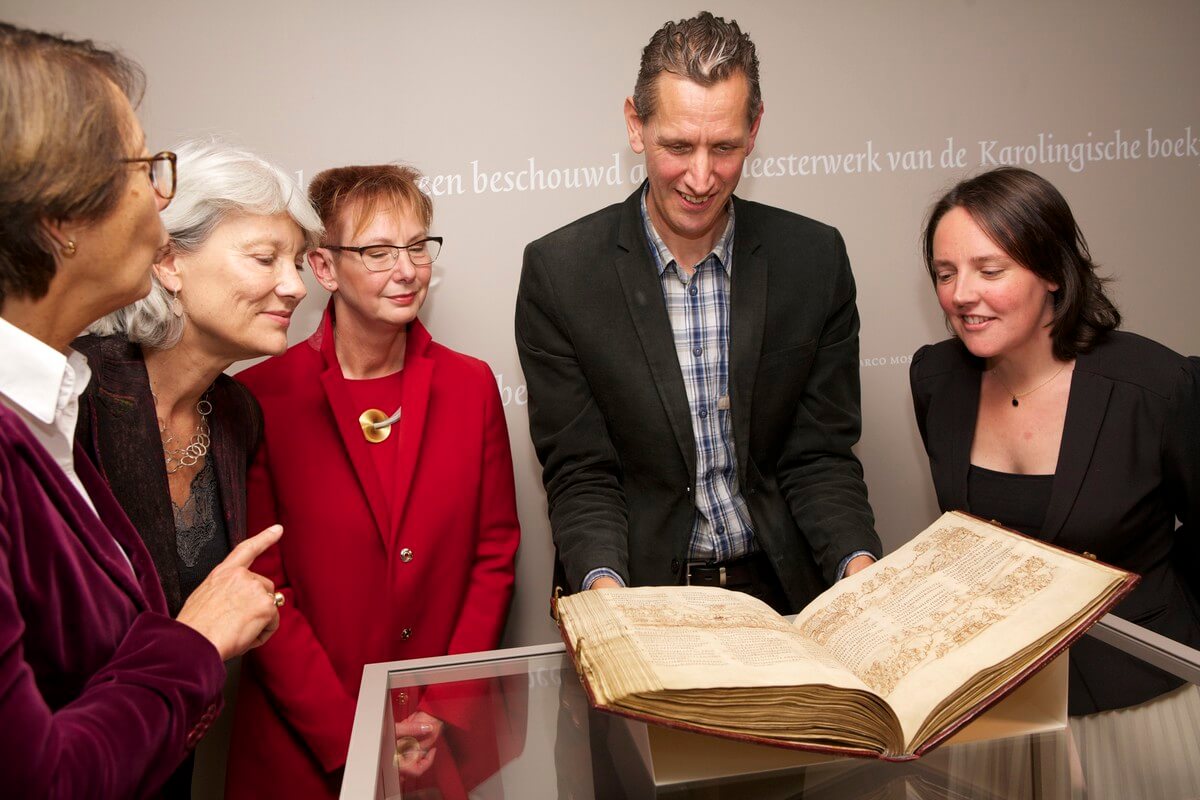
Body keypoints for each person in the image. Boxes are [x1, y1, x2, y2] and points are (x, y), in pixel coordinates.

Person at [516, 11, 880, 613]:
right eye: (678, 147)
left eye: (726, 147)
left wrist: (860, 572)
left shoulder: (814, 260)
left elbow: (818, 457)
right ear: (636, 125)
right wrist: (609, 604)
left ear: (755, 129)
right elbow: (582, 474)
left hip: (784, 591)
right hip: (639, 592)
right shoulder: (561, 273)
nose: (702, 177)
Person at [0, 23, 282, 799]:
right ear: (59, 215)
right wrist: (194, 642)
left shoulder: (48, 408)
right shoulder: (75, 405)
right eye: (143, 167)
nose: (160, 196)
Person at [225, 164, 520, 799]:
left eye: (418, 247)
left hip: (439, 746)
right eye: (379, 251)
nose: (407, 269)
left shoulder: (471, 388)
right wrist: (352, 733)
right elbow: (264, 590)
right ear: (324, 268)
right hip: (304, 747)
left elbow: (493, 556)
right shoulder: (259, 399)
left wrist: (441, 706)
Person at [910, 166, 1200, 798]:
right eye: (945, 273)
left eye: (990, 270)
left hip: (1137, 698)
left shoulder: (1154, 385)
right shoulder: (936, 377)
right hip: (998, 704)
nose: (962, 294)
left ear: (1052, 273)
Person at [73, 140, 320, 797]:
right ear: (168, 261)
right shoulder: (75, 393)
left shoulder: (237, 414)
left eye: (296, 262)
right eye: (266, 258)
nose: (296, 285)